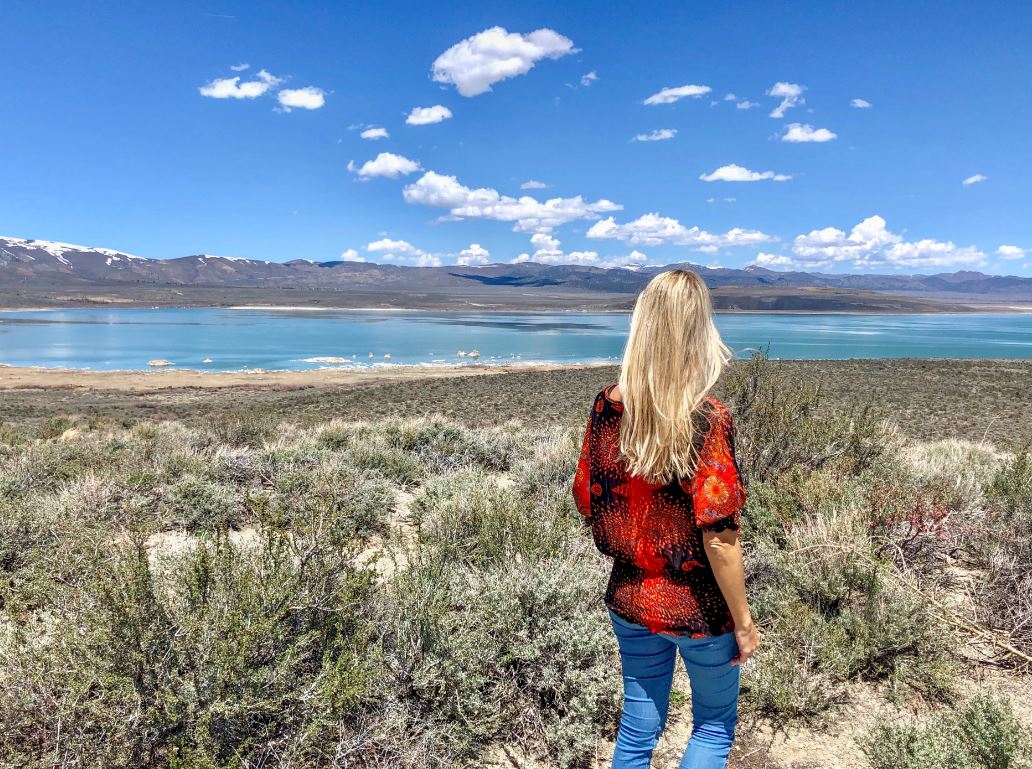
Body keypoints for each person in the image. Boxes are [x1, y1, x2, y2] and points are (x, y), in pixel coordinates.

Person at [572, 269, 759, 769]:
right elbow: (719, 536)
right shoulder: (707, 417)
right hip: (699, 611)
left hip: (629, 598)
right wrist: (743, 623)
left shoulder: (606, 406)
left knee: (637, 730)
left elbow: (586, 498)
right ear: (697, 331)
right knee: (713, 726)